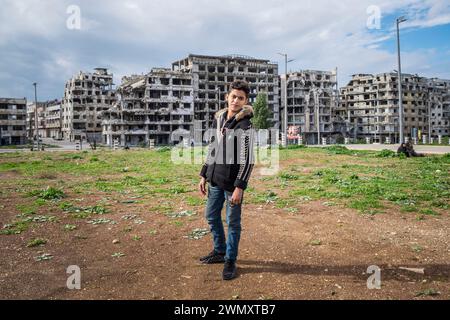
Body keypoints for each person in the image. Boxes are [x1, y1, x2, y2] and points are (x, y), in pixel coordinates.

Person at [198, 80, 255, 280]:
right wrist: (204, 173)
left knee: (233, 223)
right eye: (233, 96)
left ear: (245, 101)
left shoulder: (246, 125)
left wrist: (240, 187)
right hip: (214, 180)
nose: (236, 100)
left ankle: (230, 260)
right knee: (212, 216)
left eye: (241, 98)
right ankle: (220, 251)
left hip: (232, 185)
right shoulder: (219, 118)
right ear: (227, 97)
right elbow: (213, 147)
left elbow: (248, 160)